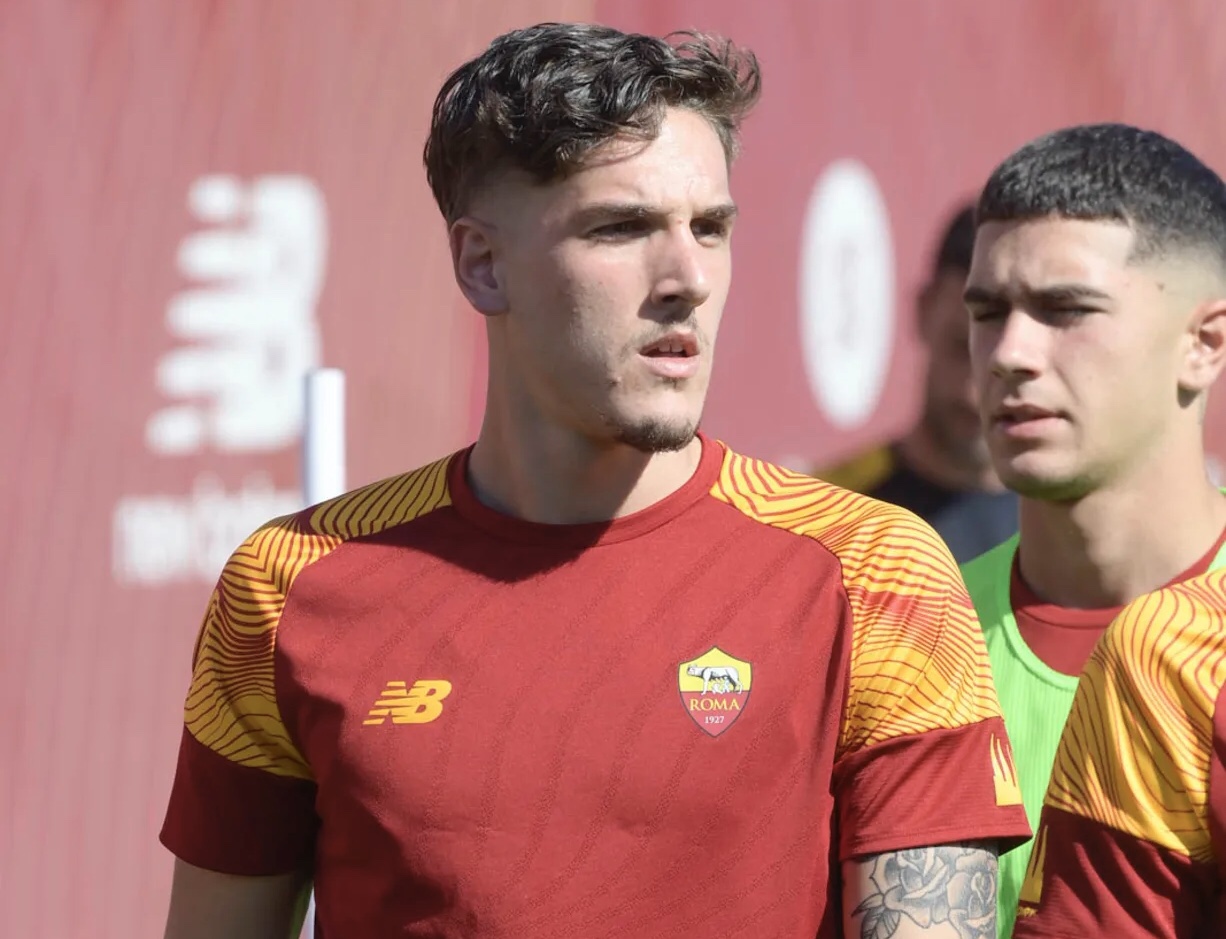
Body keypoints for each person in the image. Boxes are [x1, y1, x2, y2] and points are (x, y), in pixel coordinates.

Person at [157, 22, 1029, 939]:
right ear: (482, 264)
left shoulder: (875, 573)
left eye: (711, 228)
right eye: (622, 227)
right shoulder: (290, 585)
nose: (688, 277)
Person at [955, 123, 1226, 937]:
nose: (1010, 353)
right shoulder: (909, 636)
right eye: (988, 312)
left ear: (1205, 344)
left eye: (1065, 309)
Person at [818, 204, 1017, 563]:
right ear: (924, 311)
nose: (972, 394)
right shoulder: (827, 515)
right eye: (960, 347)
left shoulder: (1079, 530)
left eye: (999, 361)